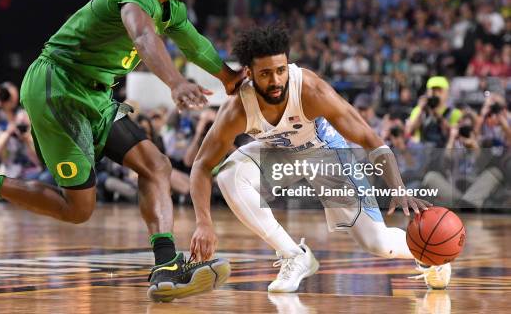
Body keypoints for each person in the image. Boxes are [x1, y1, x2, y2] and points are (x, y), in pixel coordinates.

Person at [0, 0, 242, 302]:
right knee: (78, 209)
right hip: (56, 87)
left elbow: (195, 44)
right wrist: (175, 83)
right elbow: (143, 37)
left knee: (155, 165)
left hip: (95, 95)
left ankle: (165, 266)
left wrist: (230, 78)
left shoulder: (170, 8)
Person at [188, 25, 450, 294]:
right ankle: (294, 255)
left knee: (377, 243)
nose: (276, 81)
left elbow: (370, 139)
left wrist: (398, 188)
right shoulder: (237, 109)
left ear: (288, 65)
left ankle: (431, 254)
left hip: (326, 154)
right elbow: (202, 165)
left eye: (280, 70)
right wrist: (203, 222)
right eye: (265, 74)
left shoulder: (310, 90)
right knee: (229, 175)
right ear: (249, 73)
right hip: (279, 153)